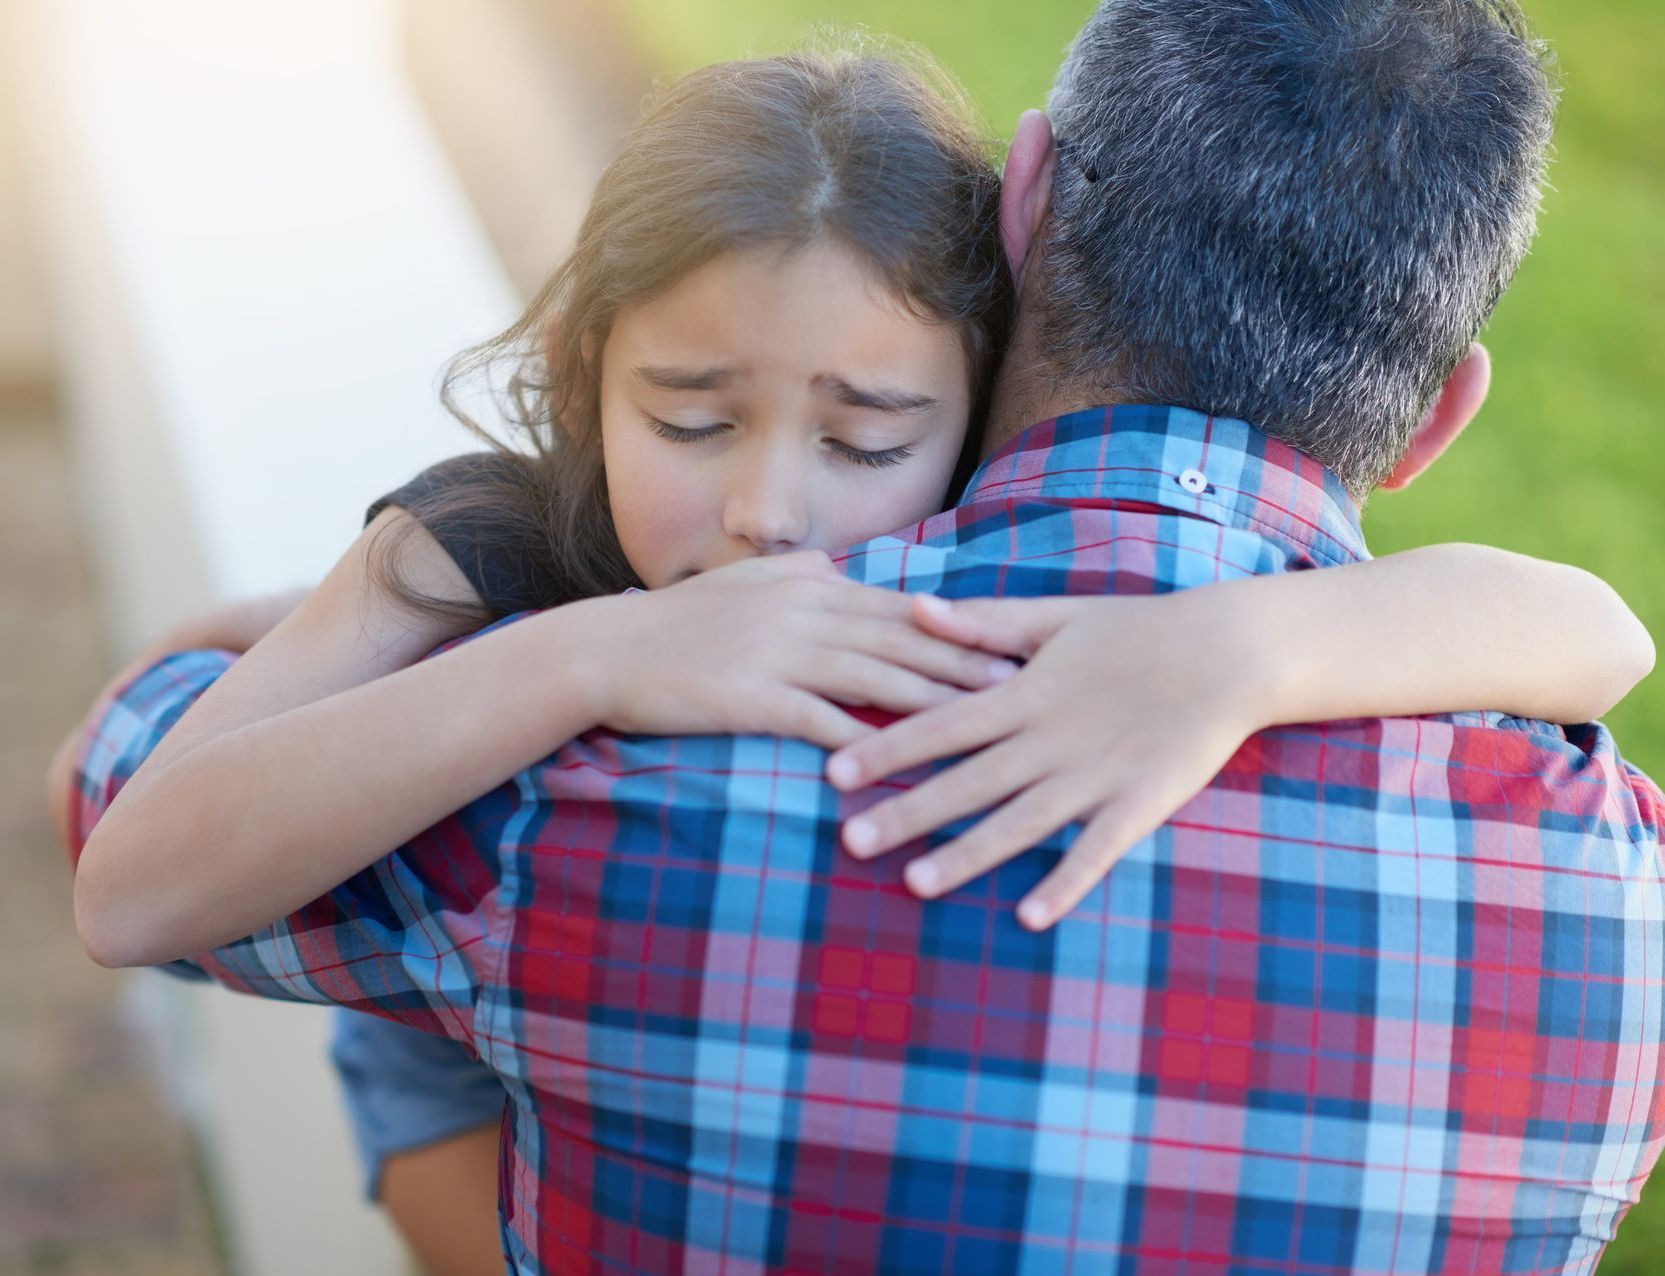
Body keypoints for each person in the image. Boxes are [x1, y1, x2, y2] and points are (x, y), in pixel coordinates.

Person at [47, 2, 1665, 1271]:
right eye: (693, 415)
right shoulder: (1618, 896)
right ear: (1442, 414)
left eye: (864, 430)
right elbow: (1597, 635)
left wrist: (1247, 653)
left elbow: (124, 797)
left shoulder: (589, 786)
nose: (770, 515)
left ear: (1018, 227)